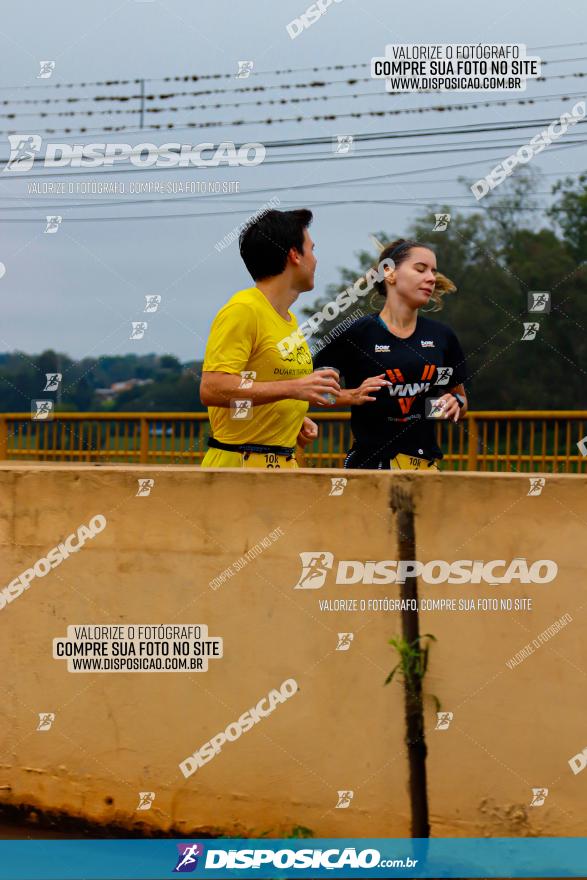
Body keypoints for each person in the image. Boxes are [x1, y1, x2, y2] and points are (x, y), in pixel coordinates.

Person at [199, 208, 340, 468]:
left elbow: (266, 382)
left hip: (282, 463)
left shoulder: (289, 319)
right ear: (295, 255)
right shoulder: (243, 309)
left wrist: (289, 418)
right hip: (237, 469)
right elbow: (212, 388)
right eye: (312, 249)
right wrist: (294, 389)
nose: (316, 260)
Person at [313, 238, 468, 470]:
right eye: (420, 269)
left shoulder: (442, 336)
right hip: (370, 467)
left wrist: (452, 403)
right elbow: (314, 393)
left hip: (426, 468)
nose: (431, 278)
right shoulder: (357, 333)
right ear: (390, 274)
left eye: (433, 272)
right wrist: (351, 396)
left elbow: (462, 402)